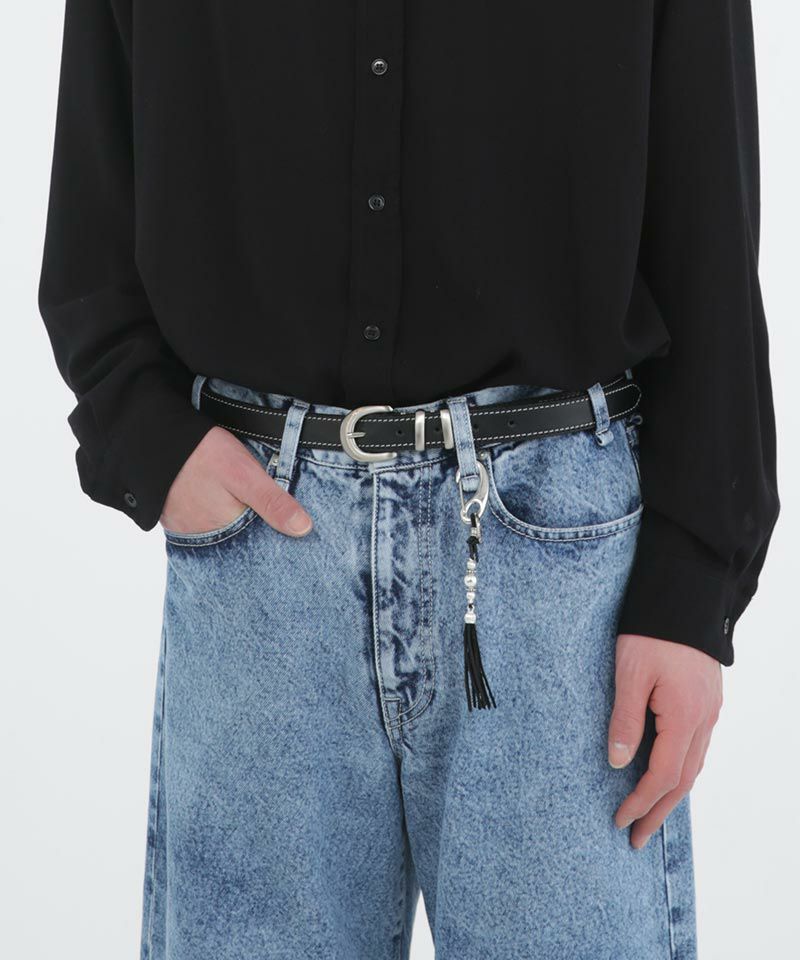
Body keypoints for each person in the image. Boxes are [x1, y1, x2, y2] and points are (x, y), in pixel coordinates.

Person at [39, 1, 779, 957]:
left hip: (557, 575)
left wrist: (693, 586)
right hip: (262, 551)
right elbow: (94, 182)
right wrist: (147, 438)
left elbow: (712, 216)